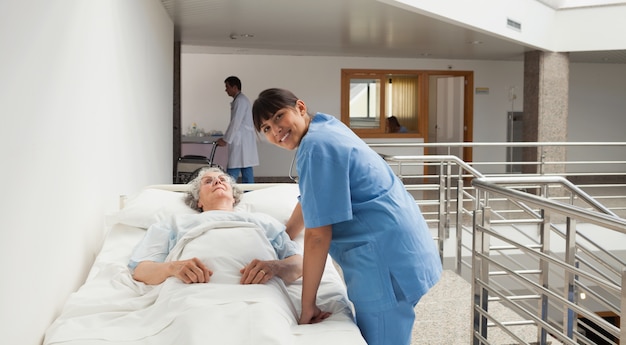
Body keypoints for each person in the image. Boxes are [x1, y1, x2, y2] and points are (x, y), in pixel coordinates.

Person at [252, 88, 442, 345]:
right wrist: (284, 236)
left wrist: (308, 306)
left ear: (300, 107)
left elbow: (318, 235)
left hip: (384, 260)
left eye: (278, 117)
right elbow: (313, 198)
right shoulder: (326, 125)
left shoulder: (316, 148)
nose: (275, 130)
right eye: (265, 128)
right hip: (405, 243)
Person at [128, 166, 302, 285]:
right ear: (199, 201)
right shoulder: (175, 223)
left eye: (222, 179)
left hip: (260, 291)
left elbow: (299, 265)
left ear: (234, 197)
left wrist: (275, 266)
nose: (217, 182)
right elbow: (141, 270)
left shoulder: (264, 221)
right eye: (208, 181)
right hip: (190, 291)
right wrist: (173, 267)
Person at [216, 76, 259, 183]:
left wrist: (226, 140)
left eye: (227, 87)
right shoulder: (240, 100)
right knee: (246, 168)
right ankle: (248, 193)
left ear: (235, 87)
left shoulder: (240, 101)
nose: (226, 90)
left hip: (241, 142)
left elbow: (235, 122)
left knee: (234, 169)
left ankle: (230, 191)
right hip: (243, 142)